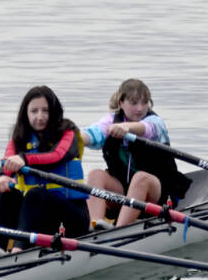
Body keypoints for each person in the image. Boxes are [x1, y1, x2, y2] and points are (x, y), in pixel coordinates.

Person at [0, 85, 90, 252]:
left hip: (71, 219)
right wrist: (0, 178)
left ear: (54, 112)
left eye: (45, 110)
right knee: (8, 195)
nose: (40, 116)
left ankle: (18, 251)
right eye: (34, 111)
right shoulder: (19, 138)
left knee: (35, 194)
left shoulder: (67, 132)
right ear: (26, 114)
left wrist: (24, 159)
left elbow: (56, 156)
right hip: (38, 221)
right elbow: (6, 165)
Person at [81, 78, 192, 227]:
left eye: (144, 102)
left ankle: (119, 231)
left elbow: (148, 128)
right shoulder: (110, 121)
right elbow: (92, 134)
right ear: (121, 103)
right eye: (134, 103)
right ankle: (95, 226)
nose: (140, 108)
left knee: (141, 178)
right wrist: (71, 141)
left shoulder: (155, 122)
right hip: (124, 193)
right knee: (95, 174)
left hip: (158, 193)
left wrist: (127, 127)